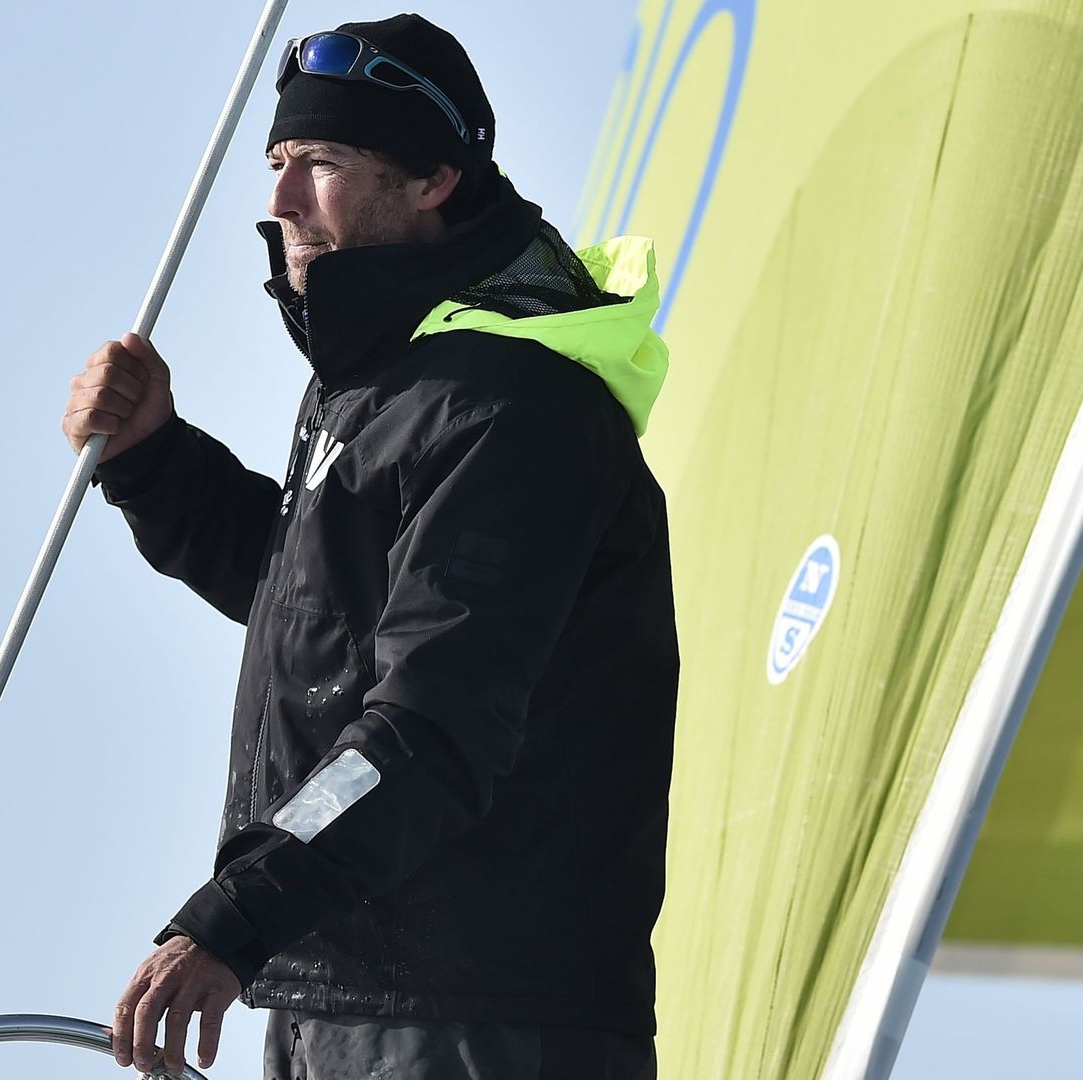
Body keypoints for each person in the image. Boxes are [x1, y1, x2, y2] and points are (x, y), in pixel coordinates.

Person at [61, 15, 678, 1078]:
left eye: (323, 164)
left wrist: (236, 912)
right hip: (350, 999)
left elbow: (426, 729)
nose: (281, 201)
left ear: (435, 176)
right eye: (278, 163)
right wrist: (156, 458)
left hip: (475, 1022)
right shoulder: (390, 391)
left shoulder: (511, 406)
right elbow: (323, 606)